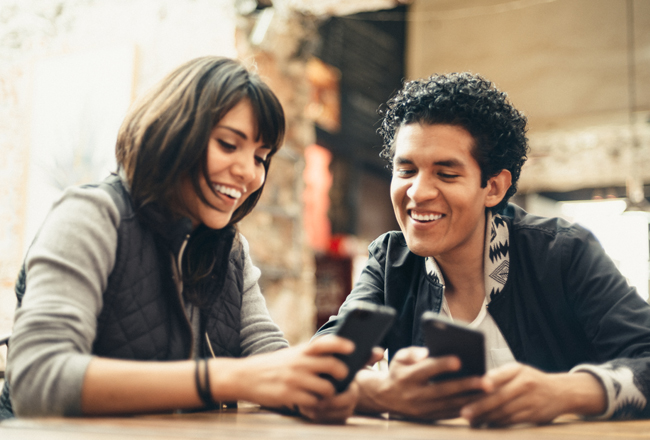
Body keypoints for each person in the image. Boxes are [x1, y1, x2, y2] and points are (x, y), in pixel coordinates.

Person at [0, 56, 357, 422]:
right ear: (173, 130)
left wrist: (363, 391)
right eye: (228, 145)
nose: (249, 173)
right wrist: (225, 379)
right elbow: (36, 380)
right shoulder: (91, 215)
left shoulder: (230, 249)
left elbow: (266, 357)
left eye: (261, 158)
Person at [315, 72, 650, 426]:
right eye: (407, 170)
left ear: (493, 187)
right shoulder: (391, 263)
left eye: (446, 174)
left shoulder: (563, 253)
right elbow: (318, 368)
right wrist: (381, 391)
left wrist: (561, 392)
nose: (418, 192)